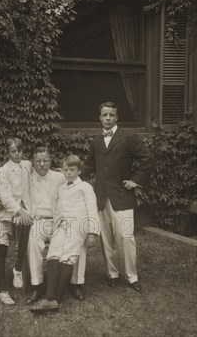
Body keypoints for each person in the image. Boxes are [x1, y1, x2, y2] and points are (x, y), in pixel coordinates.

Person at [82, 102, 154, 292]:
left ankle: (132, 276)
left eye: (111, 115)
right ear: (99, 117)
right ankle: (112, 273)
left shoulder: (128, 137)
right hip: (101, 197)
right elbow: (88, 166)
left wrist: (135, 181)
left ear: (116, 117)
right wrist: (67, 177)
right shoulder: (96, 141)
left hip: (122, 197)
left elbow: (147, 159)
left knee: (126, 236)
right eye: (104, 115)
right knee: (106, 239)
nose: (107, 118)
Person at [30, 155, 100, 313]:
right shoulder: (61, 188)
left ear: (79, 170)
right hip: (61, 226)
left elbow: (92, 210)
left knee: (67, 256)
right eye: (65, 170)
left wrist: (92, 232)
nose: (68, 173)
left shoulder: (85, 187)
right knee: (53, 255)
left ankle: (55, 299)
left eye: (72, 170)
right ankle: (49, 298)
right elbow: (58, 208)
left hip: (77, 226)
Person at [25, 147, 86, 305]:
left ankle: (76, 282)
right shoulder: (27, 178)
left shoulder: (60, 176)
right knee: (33, 241)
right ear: (33, 162)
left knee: (78, 242)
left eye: (46, 160)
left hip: (59, 221)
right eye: (38, 161)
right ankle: (37, 285)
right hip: (38, 220)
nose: (42, 164)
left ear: (51, 161)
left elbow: (76, 186)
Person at [0, 138, 32, 305]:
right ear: (8, 153)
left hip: (23, 211)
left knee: (25, 230)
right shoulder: (3, 171)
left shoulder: (27, 165)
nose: (17, 154)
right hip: (5, 212)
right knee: (2, 246)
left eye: (20, 150)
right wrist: (19, 211)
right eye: (13, 151)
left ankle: (18, 268)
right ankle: (1, 290)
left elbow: (42, 173)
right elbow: (6, 196)